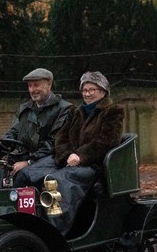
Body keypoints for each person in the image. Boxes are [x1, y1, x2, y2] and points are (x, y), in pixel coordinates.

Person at [41, 71, 125, 235]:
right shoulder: (76, 112)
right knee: (32, 174)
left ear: (103, 91)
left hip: (94, 165)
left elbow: (107, 142)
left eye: (92, 89)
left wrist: (80, 156)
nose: (87, 93)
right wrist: (68, 155)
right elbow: (61, 137)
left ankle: (56, 230)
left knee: (54, 181)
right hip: (69, 161)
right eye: (84, 90)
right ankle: (35, 221)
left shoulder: (113, 111)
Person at [0, 68, 73, 189]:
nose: (32, 90)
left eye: (36, 85)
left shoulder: (64, 109)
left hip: (51, 159)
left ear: (49, 84)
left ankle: (18, 206)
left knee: (23, 175)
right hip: (25, 157)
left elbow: (54, 144)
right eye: (30, 86)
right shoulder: (25, 109)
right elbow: (14, 132)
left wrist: (29, 162)